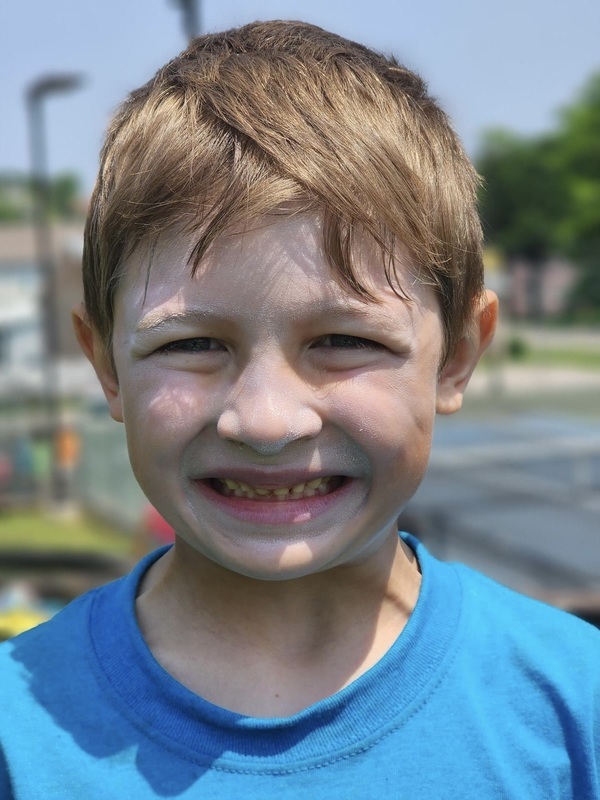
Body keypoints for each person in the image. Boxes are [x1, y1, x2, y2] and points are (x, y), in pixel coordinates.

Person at [0, 20, 598, 798]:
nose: (266, 420)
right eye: (192, 344)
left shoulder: (575, 705)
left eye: (344, 341)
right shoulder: (17, 733)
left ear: (456, 356)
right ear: (105, 365)